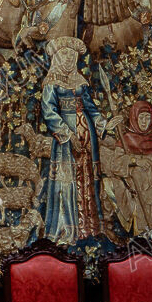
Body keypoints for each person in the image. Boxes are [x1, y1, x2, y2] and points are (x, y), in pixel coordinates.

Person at [39, 36, 121, 243]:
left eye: (71, 55)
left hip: (88, 137)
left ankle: (89, 229)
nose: (68, 59)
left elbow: (91, 109)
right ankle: (67, 231)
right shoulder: (51, 83)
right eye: (64, 54)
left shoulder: (80, 82)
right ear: (57, 57)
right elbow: (49, 113)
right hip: (66, 142)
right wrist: (68, 135)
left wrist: (103, 124)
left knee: (87, 178)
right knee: (67, 181)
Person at [101, 100, 152, 236]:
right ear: (134, 118)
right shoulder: (125, 140)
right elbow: (115, 164)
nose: (144, 122)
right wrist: (135, 160)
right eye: (141, 117)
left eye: (147, 117)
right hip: (131, 189)